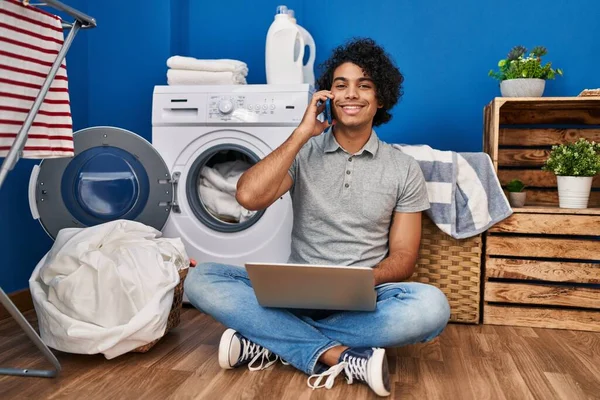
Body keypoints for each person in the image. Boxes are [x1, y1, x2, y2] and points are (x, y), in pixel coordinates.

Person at [184, 38, 451, 397]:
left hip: (365, 296)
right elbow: (248, 195)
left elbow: (403, 257)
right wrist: (301, 133)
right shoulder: (302, 152)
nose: (351, 94)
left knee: (432, 307)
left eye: (364, 85)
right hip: (295, 292)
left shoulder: (403, 169)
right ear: (328, 96)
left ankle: (269, 339)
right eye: (341, 85)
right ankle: (336, 353)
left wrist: (363, 279)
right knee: (200, 278)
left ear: (381, 98)